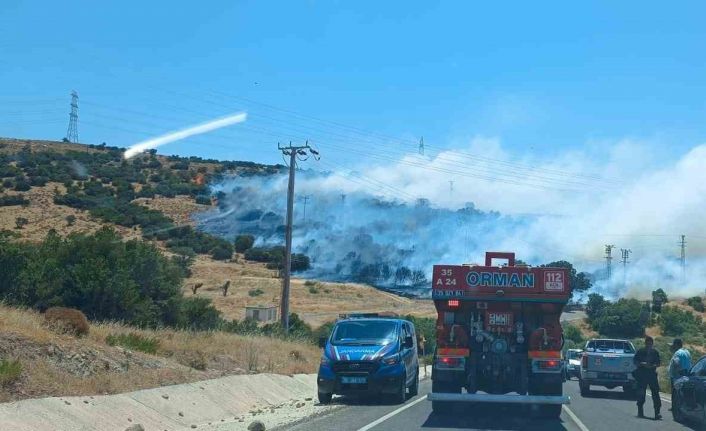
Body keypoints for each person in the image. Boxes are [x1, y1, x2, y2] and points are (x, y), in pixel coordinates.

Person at [633, 336, 662, 419]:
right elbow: (635, 361)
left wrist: (653, 365)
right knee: (641, 393)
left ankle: (657, 413)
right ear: (645, 343)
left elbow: (658, 363)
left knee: (655, 394)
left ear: (652, 343)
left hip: (652, 374)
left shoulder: (655, 352)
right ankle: (640, 411)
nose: (649, 344)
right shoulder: (640, 351)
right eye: (647, 343)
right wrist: (642, 364)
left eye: (650, 343)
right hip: (642, 374)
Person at [668, 338, 691, 403]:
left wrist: (676, 374)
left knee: (676, 393)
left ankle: (675, 407)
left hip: (678, 377)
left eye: (673, 345)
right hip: (687, 376)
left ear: (676, 345)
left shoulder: (677, 353)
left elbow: (676, 363)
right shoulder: (687, 352)